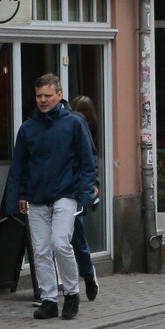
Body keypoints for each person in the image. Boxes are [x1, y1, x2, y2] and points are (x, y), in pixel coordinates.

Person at [6, 74, 97, 320]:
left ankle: (71, 292)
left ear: (59, 95)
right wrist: (18, 197)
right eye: (39, 96)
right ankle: (48, 299)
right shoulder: (27, 128)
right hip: (36, 196)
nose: (43, 100)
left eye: (48, 95)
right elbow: (19, 166)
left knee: (60, 243)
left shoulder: (74, 123)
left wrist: (86, 192)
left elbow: (88, 161)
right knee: (41, 251)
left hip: (66, 194)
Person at [68, 94, 101, 301]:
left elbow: (91, 158)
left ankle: (88, 273)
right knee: (55, 243)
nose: (82, 114)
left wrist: (92, 184)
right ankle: (50, 290)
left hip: (76, 190)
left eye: (86, 111)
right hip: (55, 192)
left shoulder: (82, 126)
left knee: (77, 237)